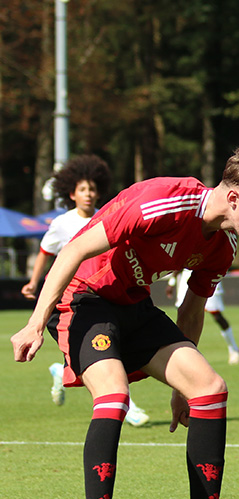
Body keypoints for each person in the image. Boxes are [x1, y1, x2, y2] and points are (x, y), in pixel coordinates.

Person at [10, 142, 239, 499]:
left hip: (135, 309)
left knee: (210, 388)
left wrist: (182, 391)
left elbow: (192, 310)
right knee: (115, 395)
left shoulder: (223, 243)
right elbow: (73, 251)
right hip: (85, 300)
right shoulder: (163, 200)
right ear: (234, 197)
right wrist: (33, 324)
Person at [21, 154, 150, 427]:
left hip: (102, 294)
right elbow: (45, 252)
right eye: (82, 189)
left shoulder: (108, 215)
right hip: (70, 298)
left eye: (92, 189)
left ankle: (63, 370)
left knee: (109, 352)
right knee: (106, 353)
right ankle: (129, 406)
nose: (89, 194)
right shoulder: (62, 224)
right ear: (72, 193)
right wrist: (33, 282)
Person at [167, 270, 239, 364]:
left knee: (217, 316)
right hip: (187, 278)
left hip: (208, 273)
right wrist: (172, 282)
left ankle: (234, 349)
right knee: (184, 317)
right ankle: (185, 355)